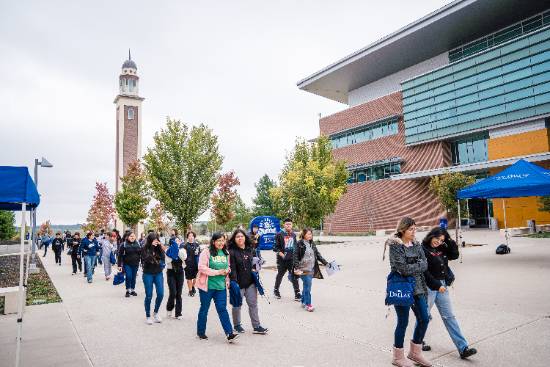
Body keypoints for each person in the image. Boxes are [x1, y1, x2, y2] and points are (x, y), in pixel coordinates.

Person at [421, 228, 477, 360]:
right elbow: (424, 271)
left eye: (442, 240)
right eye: (437, 239)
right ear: (431, 236)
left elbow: (455, 255)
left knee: (449, 317)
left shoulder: (442, 247)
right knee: (424, 316)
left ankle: (463, 348)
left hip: (442, 286)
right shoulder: (422, 249)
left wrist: (449, 240)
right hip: (429, 286)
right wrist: (436, 285)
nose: (439, 242)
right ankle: (418, 342)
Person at [383, 217, 431, 367]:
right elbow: (402, 269)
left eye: (415, 228)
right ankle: (397, 357)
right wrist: (417, 265)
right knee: (403, 322)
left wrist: (414, 265)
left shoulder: (417, 244)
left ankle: (415, 353)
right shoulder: (395, 246)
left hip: (418, 287)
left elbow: (425, 264)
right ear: (403, 230)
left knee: (424, 318)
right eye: (411, 229)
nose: (414, 232)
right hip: (402, 287)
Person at [196, 232, 239, 343]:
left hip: (221, 287)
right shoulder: (206, 252)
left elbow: (227, 266)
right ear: (213, 241)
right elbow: (201, 267)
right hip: (207, 286)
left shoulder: (226, 253)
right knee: (204, 309)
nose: (221, 243)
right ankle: (201, 332)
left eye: (222, 240)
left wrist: (227, 274)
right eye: (218, 240)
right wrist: (217, 272)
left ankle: (229, 333)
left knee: (222, 309)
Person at [228, 229, 268, 334]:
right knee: (237, 305)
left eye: (241, 236)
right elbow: (232, 268)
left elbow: (255, 263)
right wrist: (234, 283)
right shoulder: (231, 252)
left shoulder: (250, 249)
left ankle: (257, 326)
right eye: (237, 237)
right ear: (234, 239)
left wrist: (256, 268)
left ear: (245, 237)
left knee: (253, 304)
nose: (240, 238)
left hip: (250, 282)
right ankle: (237, 325)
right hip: (237, 283)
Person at [293, 228, 328, 312]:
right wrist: (297, 267)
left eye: (311, 234)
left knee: (306, 286)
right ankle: (308, 305)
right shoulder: (299, 243)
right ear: (304, 234)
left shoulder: (312, 243)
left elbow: (318, 255)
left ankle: (303, 301)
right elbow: (295, 256)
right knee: (308, 286)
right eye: (308, 234)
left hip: (311, 269)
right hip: (302, 270)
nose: (310, 235)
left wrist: (326, 263)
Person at [272, 218, 301, 301]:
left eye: (290, 224)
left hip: (291, 259)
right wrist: (281, 254)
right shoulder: (279, 234)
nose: (288, 225)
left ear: (292, 225)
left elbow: (295, 247)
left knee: (294, 275)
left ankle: (297, 293)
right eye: (287, 224)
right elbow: (274, 247)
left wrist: (297, 257)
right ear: (284, 225)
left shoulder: (293, 235)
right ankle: (276, 290)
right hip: (281, 260)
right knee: (280, 275)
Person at [141, 232, 166, 325]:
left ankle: (155, 313)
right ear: (150, 240)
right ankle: (148, 316)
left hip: (158, 273)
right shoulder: (144, 248)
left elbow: (163, 257)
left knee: (160, 294)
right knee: (149, 295)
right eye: (154, 240)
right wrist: (151, 247)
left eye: (157, 240)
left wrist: (160, 247)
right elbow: (147, 259)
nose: (156, 242)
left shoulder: (159, 248)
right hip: (148, 274)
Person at [165, 231, 187, 320]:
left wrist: (177, 249)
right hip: (171, 272)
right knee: (173, 292)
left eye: (178, 241)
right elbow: (168, 260)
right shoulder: (168, 250)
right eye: (175, 241)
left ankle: (178, 313)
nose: (177, 242)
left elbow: (184, 257)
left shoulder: (182, 250)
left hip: (180, 272)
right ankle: (169, 309)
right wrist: (173, 251)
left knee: (179, 293)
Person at [118, 231, 142, 297]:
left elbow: (141, 254)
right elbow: (120, 255)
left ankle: (132, 290)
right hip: (127, 264)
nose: (132, 237)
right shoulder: (124, 244)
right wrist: (119, 265)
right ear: (127, 237)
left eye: (133, 236)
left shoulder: (138, 244)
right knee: (129, 276)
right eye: (131, 236)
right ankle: (128, 290)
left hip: (136, 264)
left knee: (133, 277)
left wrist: (142, 263)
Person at [184, 231, 201, 297]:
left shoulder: (197, 245)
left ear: (194, 237)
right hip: (188, 264)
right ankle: (190, 290)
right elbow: (183, 255)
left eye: (192, 236)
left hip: (196, 264)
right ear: (187, 237)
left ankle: (193, 286)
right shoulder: (185, 246)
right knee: (189, 278)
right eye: (189, 236)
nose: (191, 237)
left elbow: (199, 254)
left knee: (196, 278)